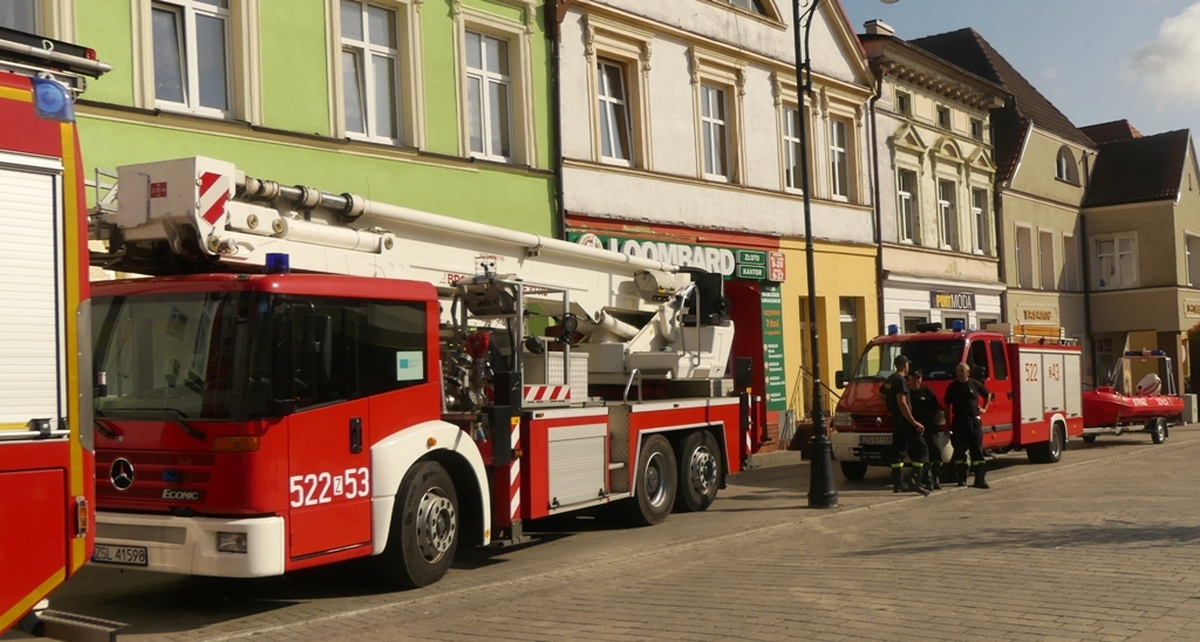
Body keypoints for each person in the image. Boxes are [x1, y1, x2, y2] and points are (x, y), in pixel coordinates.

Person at [879, 355, 929, 495]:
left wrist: (891, 407)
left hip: (896, 420)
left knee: (898, 452)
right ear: (904, 365)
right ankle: (915, 482)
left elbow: (880, 394)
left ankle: (898, 484)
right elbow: (902, 402)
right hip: (905, 421)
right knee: (922, 451)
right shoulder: (900, 380)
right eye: (908, 364)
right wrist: (913, 422)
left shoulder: (889, 379)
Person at [943, 362, 993, 489]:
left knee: (977, 452)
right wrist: (948, 424)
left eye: (962, 371)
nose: (959, 373)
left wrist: (984, 408)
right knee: (960, 453)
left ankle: (980, 479)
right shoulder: (952, 387)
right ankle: (961, 479)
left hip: (973, 423)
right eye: (958, 371)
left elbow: (988, 394)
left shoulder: (974, 384)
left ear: (968, 372)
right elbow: (947, 405)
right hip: (958, 423)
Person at [906, 369, 944, 490]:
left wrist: (935, 424)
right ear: (909, 379)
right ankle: (925, 479)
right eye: (914, 378)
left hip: (930, 428)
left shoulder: (927, 391)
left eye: (919, 378)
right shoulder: (906, 393)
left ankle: (936, 478)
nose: (917, 380)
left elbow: (937, 409)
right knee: (921, 454)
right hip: (914, 429)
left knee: (935, 450)